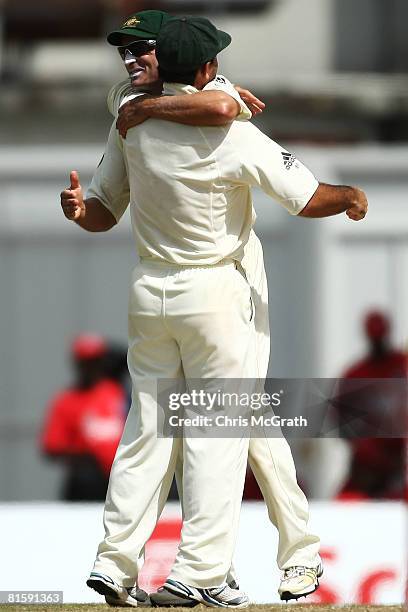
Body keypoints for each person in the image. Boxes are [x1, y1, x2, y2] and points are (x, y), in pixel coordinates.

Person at [60, 13, 368, 607]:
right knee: (217, 431)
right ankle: (205, 571)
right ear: (205, 69)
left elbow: (104, 209)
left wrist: (80, 210)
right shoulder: (228, 129)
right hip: (218, 293)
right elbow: (306, 199)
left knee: (148, 428)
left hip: (151, 290)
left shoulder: (131, 121)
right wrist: (351, 195)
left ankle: (116, 560)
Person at [41, 334, 127, 501]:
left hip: (122, 479)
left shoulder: (119, 393)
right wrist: (86, 455)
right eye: (85, 363)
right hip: (87, 481)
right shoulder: (67, 400)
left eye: (95, 362)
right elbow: (52, 447)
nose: (90, 368)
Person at [335, 310, 406, 500]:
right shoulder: (356, 373)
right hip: (367, 466)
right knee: (345, 502)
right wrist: (362, 445)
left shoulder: (401, 365)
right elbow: (339, 418)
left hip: (398, 462)